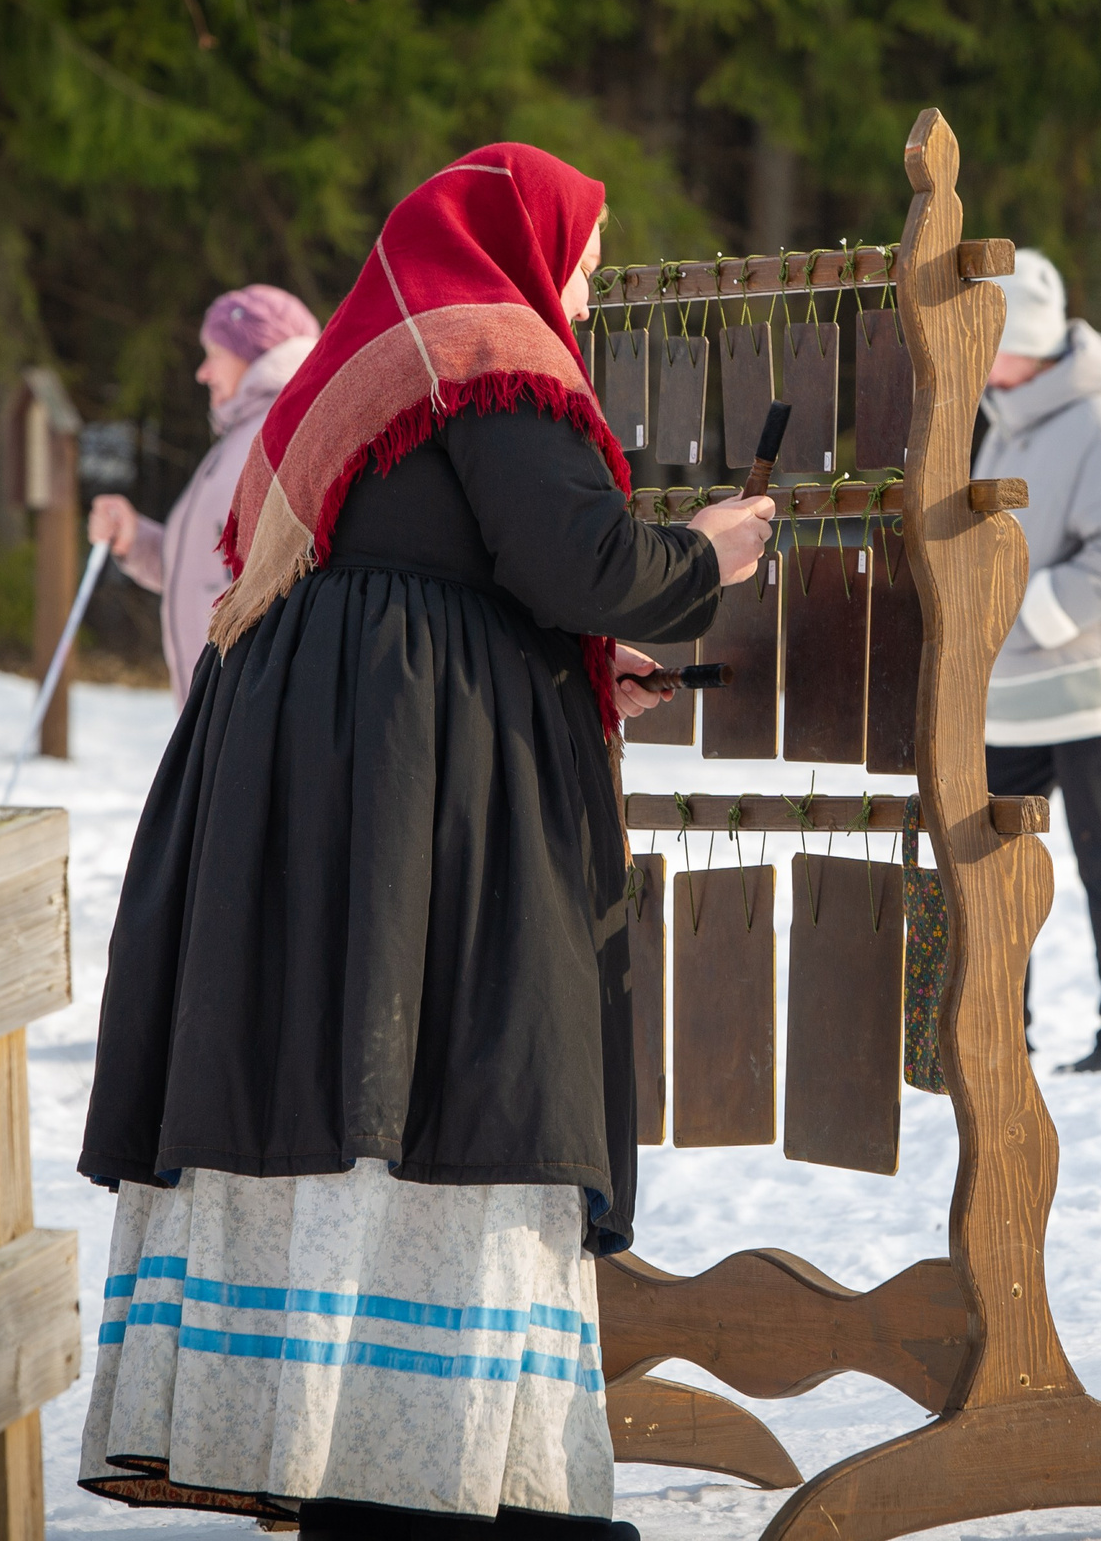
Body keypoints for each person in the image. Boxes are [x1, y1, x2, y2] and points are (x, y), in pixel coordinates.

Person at [72, 145, 778, 1538]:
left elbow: (449, 569)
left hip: (324, 774)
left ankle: (344, 1457)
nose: (581, 282)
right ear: (521, 241)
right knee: (449, 1080)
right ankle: (432, 1490)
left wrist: (575, 673)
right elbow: (572, 558)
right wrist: (706, 556)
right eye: (580, 250)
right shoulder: (488, 350)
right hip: (411, 795)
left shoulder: (363, 366)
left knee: (345, 1085)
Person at [975, 248, 1101, 1076]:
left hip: (1097, 688)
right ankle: (999, 1035)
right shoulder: (1004, 419)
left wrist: (1025, 611)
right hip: (1018, 686)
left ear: (1016, 335)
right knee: (993, 861)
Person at [89, 284, 323, 705]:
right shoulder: (239, 438)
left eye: (214, 354)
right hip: (219, 712)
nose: (203, 372)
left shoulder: (276, 436)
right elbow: (211, 570)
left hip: (246, 710)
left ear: (257, 352)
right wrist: (136, 539)